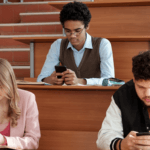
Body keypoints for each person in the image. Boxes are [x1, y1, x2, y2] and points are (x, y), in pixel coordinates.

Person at [37, 1, 114, 85]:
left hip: (95, 96)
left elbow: (109, 81)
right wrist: (50, 80)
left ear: (87, 26)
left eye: (77, 31)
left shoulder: (102, 44)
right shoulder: (58, 45)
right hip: (65, 96)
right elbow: (41, 78)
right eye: (68, 31)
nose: (72, 36)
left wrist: (81, 81)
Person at [96, 50, 150, 150]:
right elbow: (103, 137)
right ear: (134, 80)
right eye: (141, 87)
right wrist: (121, 144)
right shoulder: (122, 95)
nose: (147, 94)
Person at [0, 58, 40, 149]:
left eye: (0, 86)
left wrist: (4, 140)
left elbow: (33, 142)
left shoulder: (27, 98)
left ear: (9, 83)